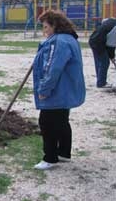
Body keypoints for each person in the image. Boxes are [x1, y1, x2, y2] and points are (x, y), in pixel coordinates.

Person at [32, 10, 86, 170]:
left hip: (58, 91)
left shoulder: (58, 42)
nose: (44, 31)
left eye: (46, 27)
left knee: (46, 122)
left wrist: (44, 89)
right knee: (62, 120)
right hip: (65, 90)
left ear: (55, 25)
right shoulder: (68, 38)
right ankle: (63, 153)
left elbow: (52, 69)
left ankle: (50, 158)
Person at [88, 17, 116, 88]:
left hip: (93, 40)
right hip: (98, 43)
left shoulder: (112, 20)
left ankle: (100, 81)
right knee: (105, 62)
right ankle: (101, 83)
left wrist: (112, 56)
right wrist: (112, 57)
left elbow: (104, 21)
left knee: (99, 62)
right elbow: (110, 45)